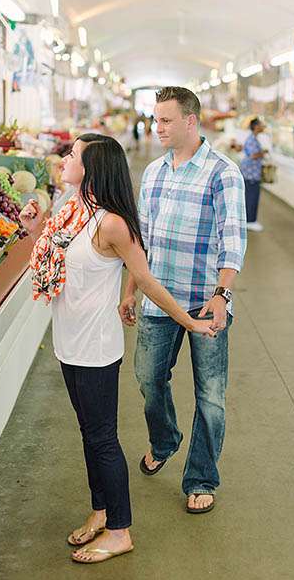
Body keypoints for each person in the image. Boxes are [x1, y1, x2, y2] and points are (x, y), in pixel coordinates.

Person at [20, 134, 217, 565]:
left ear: (92, 168)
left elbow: (145, 278)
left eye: (72, 155)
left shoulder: (112, 224)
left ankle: (120, 530)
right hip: (68, 342)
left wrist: (188, 321)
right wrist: (35, 228)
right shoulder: (71, 209)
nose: (65, 159)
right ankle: (101, 510)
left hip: (95, 348)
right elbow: (52, 255)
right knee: (88, 435)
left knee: (103, 439)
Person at [119, 86, 246, 516]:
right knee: (147, 379)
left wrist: (222, 294)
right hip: (159, 300)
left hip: (204, 303)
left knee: (211, 396)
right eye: (156, 120)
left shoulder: (223, 173)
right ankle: (165, 439)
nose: (158, 128)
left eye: (167, 120)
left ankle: (201, 478)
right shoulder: (153, 172)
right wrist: (130, 288)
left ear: (191, 121)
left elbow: (232, 240)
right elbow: (142, 239)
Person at [240, 117, 266, 232]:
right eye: (261, 124)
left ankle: (251, 220)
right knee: (251, 197)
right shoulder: (251, 140)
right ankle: (250, 221)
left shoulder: (254, 139)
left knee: (253, 196)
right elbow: (253, 155)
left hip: (253, 173)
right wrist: (262, 153)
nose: (263, 126)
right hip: (250, 174)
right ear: (256, 127)